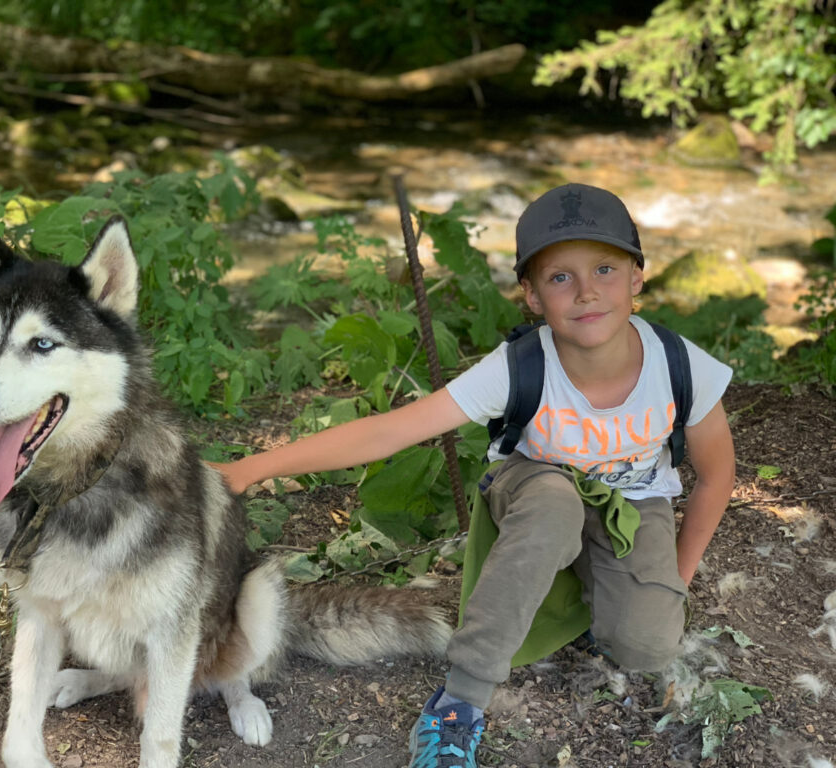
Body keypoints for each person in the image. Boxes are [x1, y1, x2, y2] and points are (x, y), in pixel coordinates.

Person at [212, 183, 736, 768]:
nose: (587, 292)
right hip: (538, 492)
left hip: (634, 505)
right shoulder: (521, 366)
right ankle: (460, 700)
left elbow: (716, 477)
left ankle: (590, 592)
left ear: (637, 277)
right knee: (555, 509)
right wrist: (251, 468)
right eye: (560, 277)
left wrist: (675, 582)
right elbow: (389, 432)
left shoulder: (681, 365)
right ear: (532, 295)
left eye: (605, 269)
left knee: (646, 646)